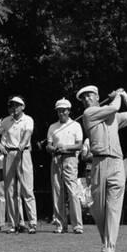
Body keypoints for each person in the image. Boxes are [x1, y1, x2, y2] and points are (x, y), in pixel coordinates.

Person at [77, 85, 127, 252]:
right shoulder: (89, 114)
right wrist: (118, 95)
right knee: (97, 209)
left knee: (114, 208)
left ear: (97, 96)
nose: (86, 100)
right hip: (99, 163)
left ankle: (108, 249)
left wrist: (125, 94)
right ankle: (107, 243)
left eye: (89, 96)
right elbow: (113, 107)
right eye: (83, 98)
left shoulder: (114, 117)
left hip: (117, 163)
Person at [0, 96, 37, 234]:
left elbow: (27, 134)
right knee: (10, 190)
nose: (14, 108)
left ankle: (32, 223)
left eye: (17, 105)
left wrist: (22, 144)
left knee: (27, 189)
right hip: (9, 154)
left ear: (23, 107)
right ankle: (13, 224)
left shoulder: (28, 119)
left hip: (23, 153)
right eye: (12, 105)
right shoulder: (5, 121)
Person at [46, 98, 84, 234]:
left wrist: (65, 147)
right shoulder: (52, 127)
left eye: (64, 110)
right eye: (59, 110)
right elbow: (48, 146)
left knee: (73, 191)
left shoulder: (75, 125)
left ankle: (77, 225)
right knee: (57, 192)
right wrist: (53, 149)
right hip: (56, 159)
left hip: (70, 159)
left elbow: (79, 145)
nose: (61, 113)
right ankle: (60, 224)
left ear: (68, 111)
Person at [0, 119, 26, 233]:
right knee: (2, 193)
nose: (12, 109)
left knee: (17, 191)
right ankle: (0, 223)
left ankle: (20, 222)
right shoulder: (2, 121)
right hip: (1, 161)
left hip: (17, 159)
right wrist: (0, 145)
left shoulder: (22, 121)